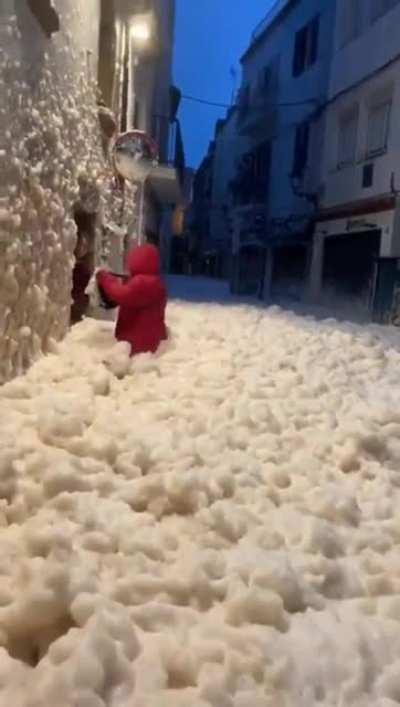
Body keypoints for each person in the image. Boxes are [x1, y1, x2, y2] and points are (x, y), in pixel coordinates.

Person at [96, 244, 168, 355]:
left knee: (116, 361)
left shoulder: (142, 283)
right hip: (152, 338)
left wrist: (105, 279)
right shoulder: (157, 282)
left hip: (137, 342)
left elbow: (120, 294)